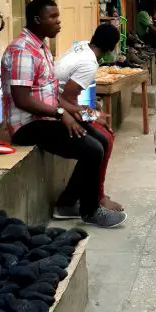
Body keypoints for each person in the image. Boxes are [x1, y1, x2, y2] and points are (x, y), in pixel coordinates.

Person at [1, 0, 127, 229]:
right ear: (37, 20)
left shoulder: (41, 47)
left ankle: (67, 203)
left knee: (100, 139)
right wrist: (61, 114)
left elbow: (50, 94)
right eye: (53, 17)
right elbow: (22, 99)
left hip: (45, 118)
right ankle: (89, 210)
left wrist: (79, 111)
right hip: (27, 126)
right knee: (92, 149)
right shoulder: (22, 51)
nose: (59, 21)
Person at [55, 23, 124, 212]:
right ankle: (97, 196)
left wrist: (92, 113)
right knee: (105, 139)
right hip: (56, 109)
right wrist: (92, 116)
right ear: (111, 48)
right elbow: (66, 100)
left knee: (104, 133)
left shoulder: (83, 46)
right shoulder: (89, 63)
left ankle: (91, 193)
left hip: (60, 102)